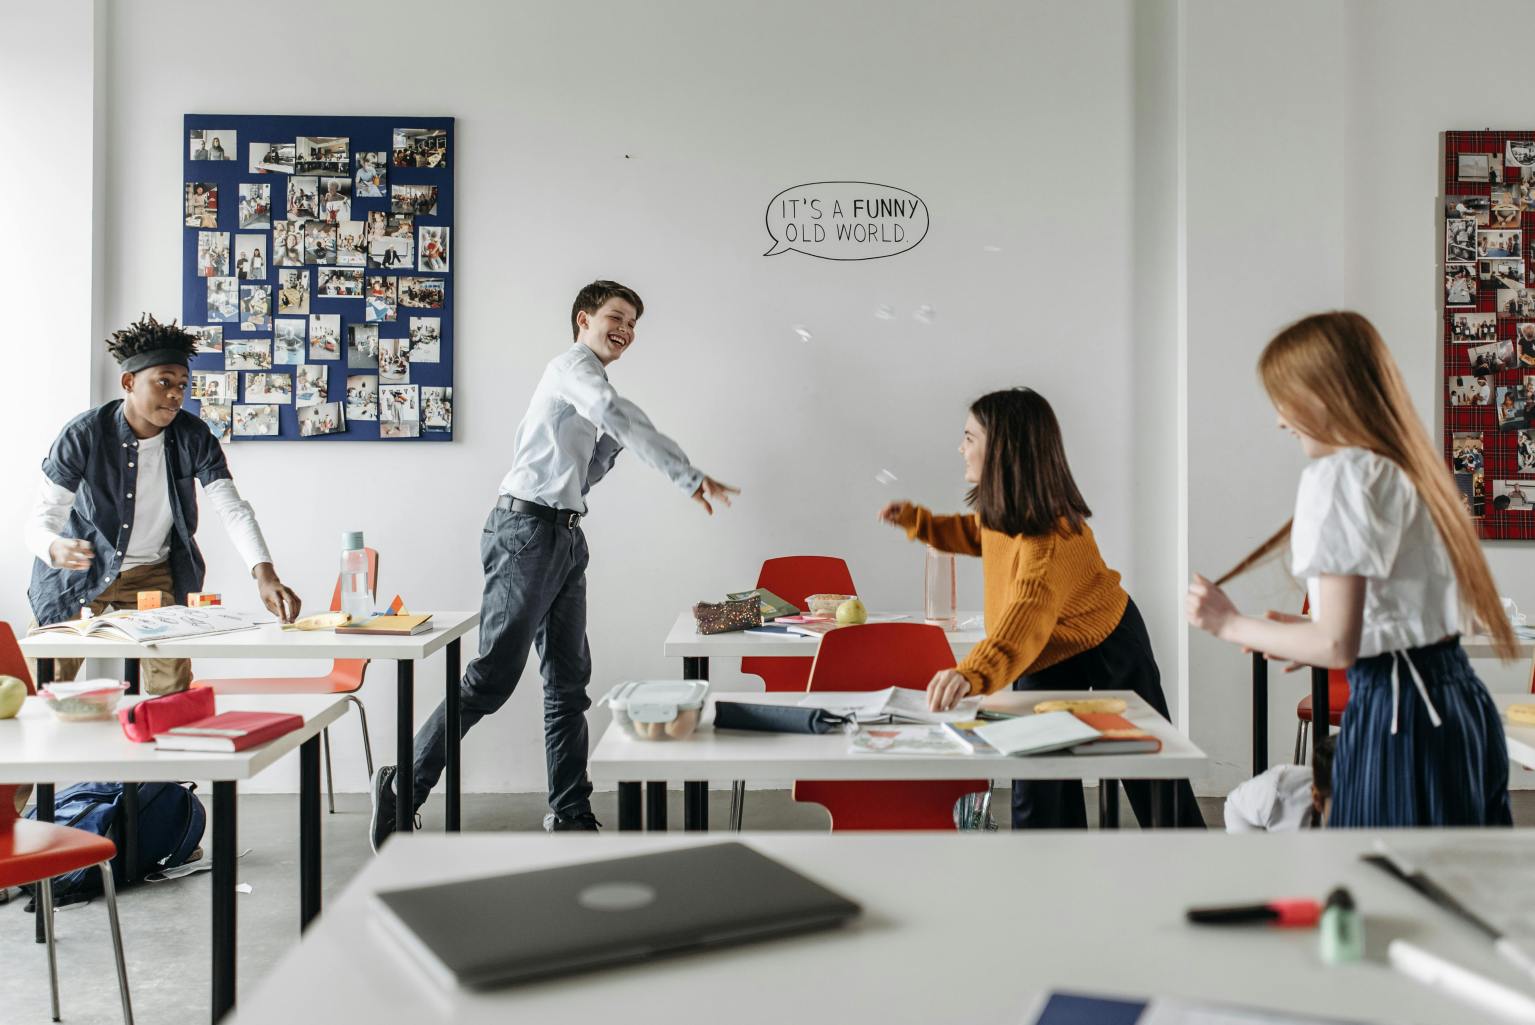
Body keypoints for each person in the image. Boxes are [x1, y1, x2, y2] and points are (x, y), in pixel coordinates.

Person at [369, 280, 740, 847]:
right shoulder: (573, 369)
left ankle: (569, 811)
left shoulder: (589, 387)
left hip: (564, 535)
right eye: (617, 316)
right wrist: (683, 472)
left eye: (634, 323)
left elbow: (583, 470)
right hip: (525, 532)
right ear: (583, 320)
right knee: (491, 679)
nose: (627, 330)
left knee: (568, 684)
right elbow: (613, 411)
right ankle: (403, 786)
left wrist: (611, 446)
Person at [1186, 311, 1517, 828]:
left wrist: (1228, 624)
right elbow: (1402, 620)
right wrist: (1302, 633)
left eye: (1283, 399)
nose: (1279, 420)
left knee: (1383, 896)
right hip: (1458, 705)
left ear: (1325, 393)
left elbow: (1336, 646)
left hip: (1399, 715)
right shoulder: (1412, 470)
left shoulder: (1341, 476)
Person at [879, 388, 1203, 829]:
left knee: (1148, 765)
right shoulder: (1006, 515)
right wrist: (922, 524)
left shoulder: (1049, 542)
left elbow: (1022, 620)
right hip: (1045, 645)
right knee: (1035, 772)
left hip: (1106, 637)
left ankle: (1187, 852)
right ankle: (1049, 864)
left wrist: (969, 673)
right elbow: (977, 534)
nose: (961, 448)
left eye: (969, 437)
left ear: (1002, 451)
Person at [23, 315, 303, 693]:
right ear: (128, 382)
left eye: (182, 385)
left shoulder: (193, 436)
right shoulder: (83, 434)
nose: (176, 394)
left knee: (172, 691)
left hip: (152, 576)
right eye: (164, 382)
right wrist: (53, 547)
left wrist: (265, 575)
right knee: (37, 684)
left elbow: (231, 508)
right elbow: (42, 520)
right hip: (81, 573)